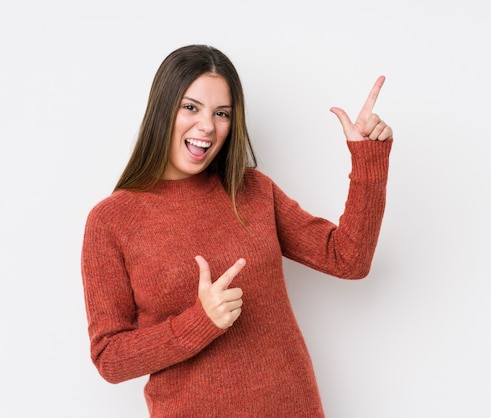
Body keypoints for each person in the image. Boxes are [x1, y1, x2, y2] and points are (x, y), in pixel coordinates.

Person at [81, 44, 393, 417]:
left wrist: (368, 159)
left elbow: (348, 259)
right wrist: (199, 323)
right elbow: (109, 358)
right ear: (162, 109)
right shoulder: (112, 220)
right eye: (191, 107)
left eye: (222, 113)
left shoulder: (253, 191)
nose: (207, 126)